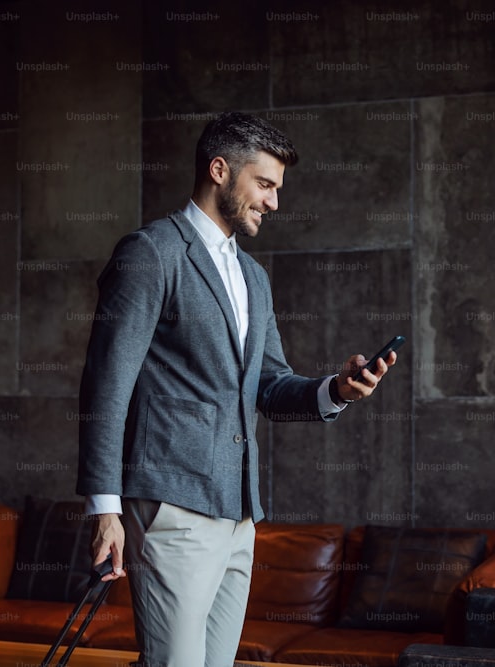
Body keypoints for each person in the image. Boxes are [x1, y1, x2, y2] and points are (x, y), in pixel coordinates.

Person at [76, 111, 396, 667]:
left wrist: (337, 390)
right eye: (265, 184)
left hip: (240, 514)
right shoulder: (150, 253)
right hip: (172, 506)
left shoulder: (253, 277)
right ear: (219, 170)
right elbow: (106, 386)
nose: (274, 202)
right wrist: (105, 509)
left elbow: (270, 387)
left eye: (277, 188)